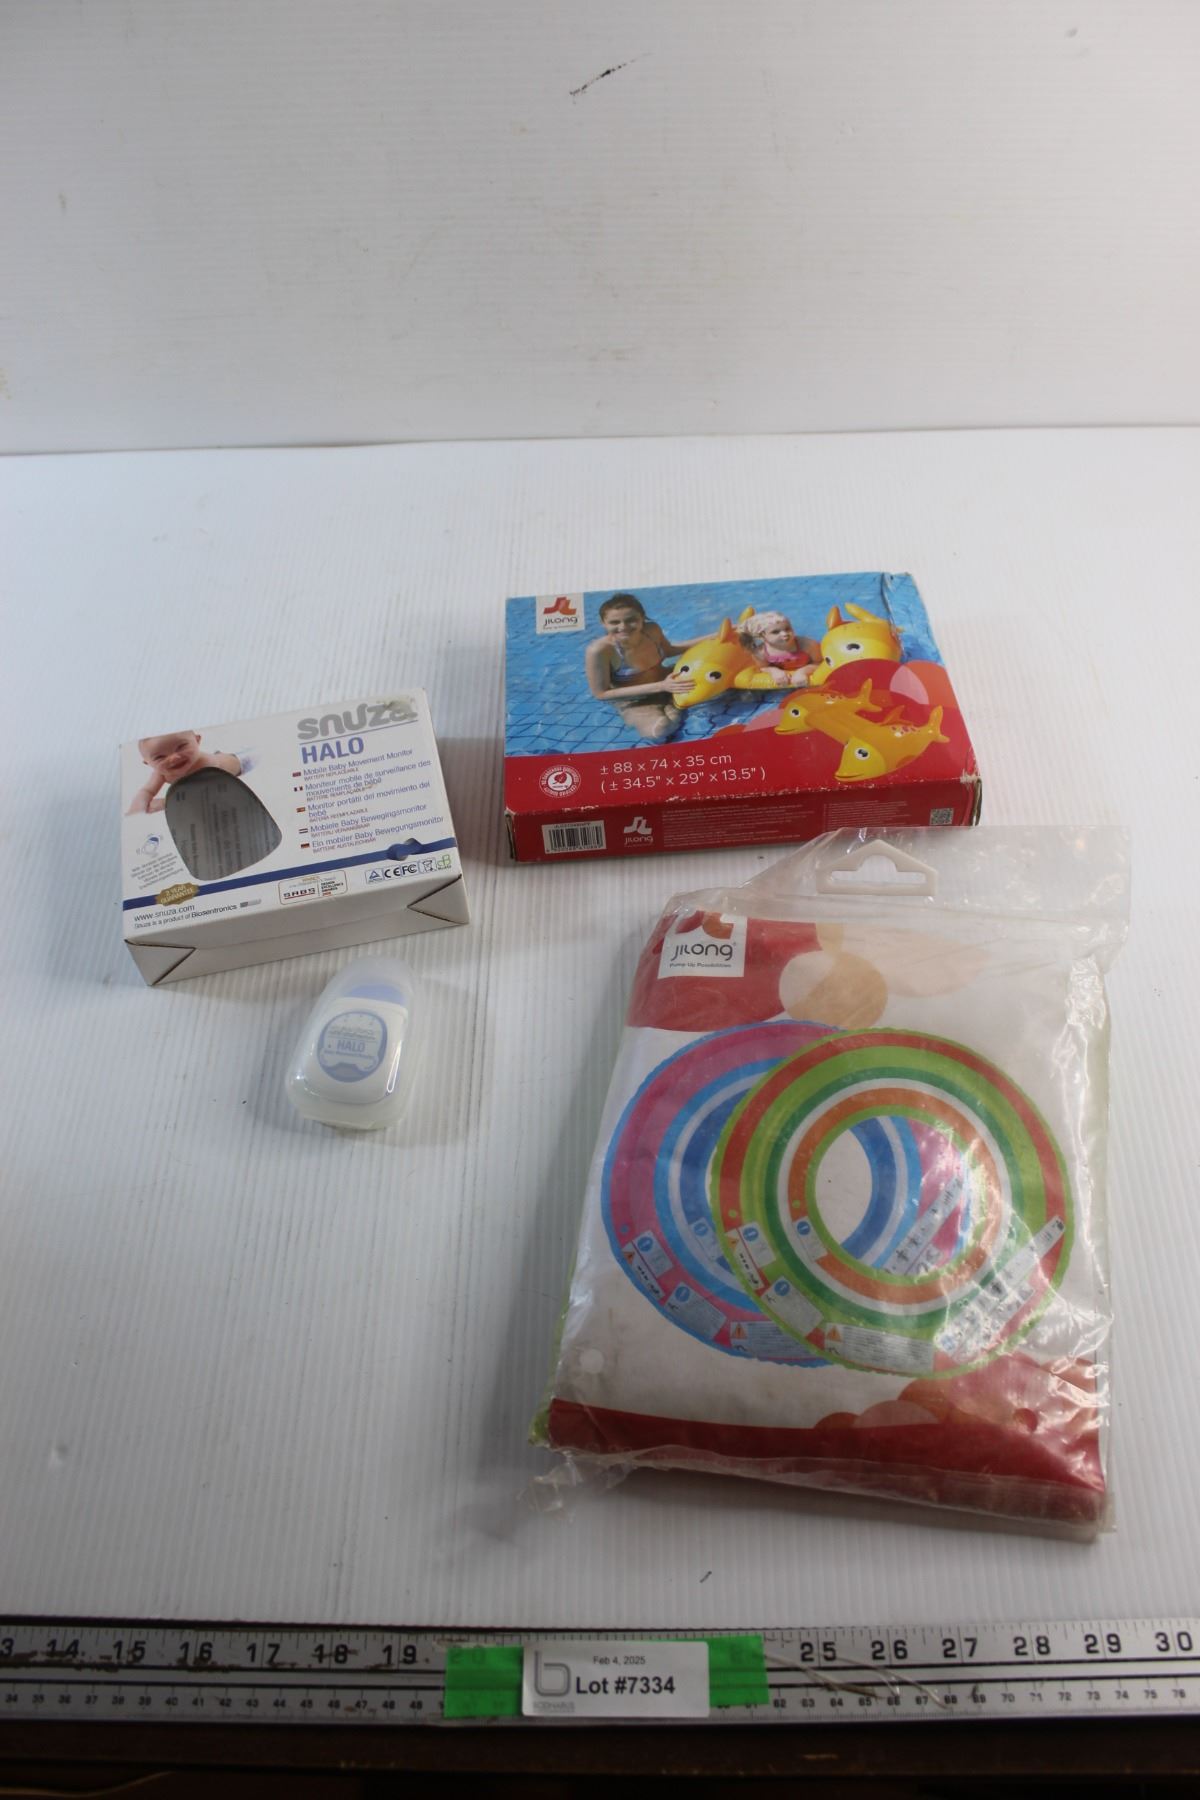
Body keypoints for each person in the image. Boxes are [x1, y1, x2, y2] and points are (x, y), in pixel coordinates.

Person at [585, 594, 698, 741]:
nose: (623, 627)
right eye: (614, 622)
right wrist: (661, 686)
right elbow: (601, 694)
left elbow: (670, 650)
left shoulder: (652, 630)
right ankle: (674, 706)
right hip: (636, 700)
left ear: (642, 618)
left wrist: (716, 636)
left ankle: (674, 704)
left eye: (631, 620)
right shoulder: (599, 651)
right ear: (603, 623)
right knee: (660, 730)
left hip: (669, 682)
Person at [127, 731, 242, 814]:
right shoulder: (161, 773)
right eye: (160, 757)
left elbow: (201, 795)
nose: (174, 758)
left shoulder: (205, 764)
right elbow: (147, 791)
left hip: (235, 763)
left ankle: (220, 755)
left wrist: (165, 803)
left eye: (181, 747)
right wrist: (137, 811)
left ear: (197, 740)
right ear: (147, 763)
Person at [738, 611, 820, 687]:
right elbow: (763, 668)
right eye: (775, 632)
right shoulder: (760, 653)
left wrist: (803, 671)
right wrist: (774, 671)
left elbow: (820, 662)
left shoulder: (807, 645)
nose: (784, 634)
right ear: (762, 635)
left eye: (787, 629)